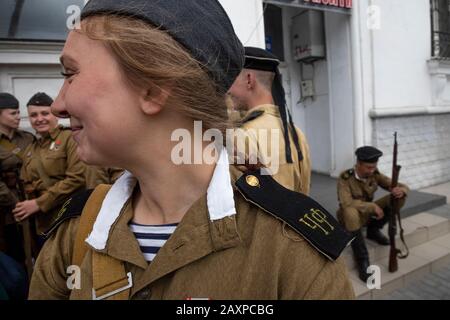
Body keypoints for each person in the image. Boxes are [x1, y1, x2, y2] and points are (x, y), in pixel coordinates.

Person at [29, 0, 354, 300]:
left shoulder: (295, 254)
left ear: (152, 88)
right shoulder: (76, 231)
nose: (58, 104)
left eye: (70, 74)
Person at [228, 47, 311, 195]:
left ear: (248, 80)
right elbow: (304, 191)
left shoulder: (241, 135)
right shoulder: (296, 132)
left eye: (232, 80)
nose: (229, 90)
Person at [13, 92, 86, 244]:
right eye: (33, 115)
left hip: (68, 217)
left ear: (55, 115)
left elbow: (77, 178)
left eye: (45, 113)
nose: (39, 119)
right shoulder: (31, 149)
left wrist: (38, 203)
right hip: (43, 223)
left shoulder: (70, 138)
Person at [337, 146, 409, 282]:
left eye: (374, 167)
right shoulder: (345, 178)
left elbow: (397, 185)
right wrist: (372, 206)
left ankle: (373, 230)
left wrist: (402, 190)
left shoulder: (374, 174)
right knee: (350, 212)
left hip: (367, 215)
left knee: (397, 198)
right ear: (358, 164)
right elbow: (346, 203)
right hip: (349, 217)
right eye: (368, 167)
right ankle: (362, 260)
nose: (372, 170)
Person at [0, 93, 34, 263]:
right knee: (14, 256)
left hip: (34, 203)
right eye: (13, 113)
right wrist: (16, 203)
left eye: (18, 112)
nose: (18, 116)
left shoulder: (27, 138)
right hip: (7, 211)